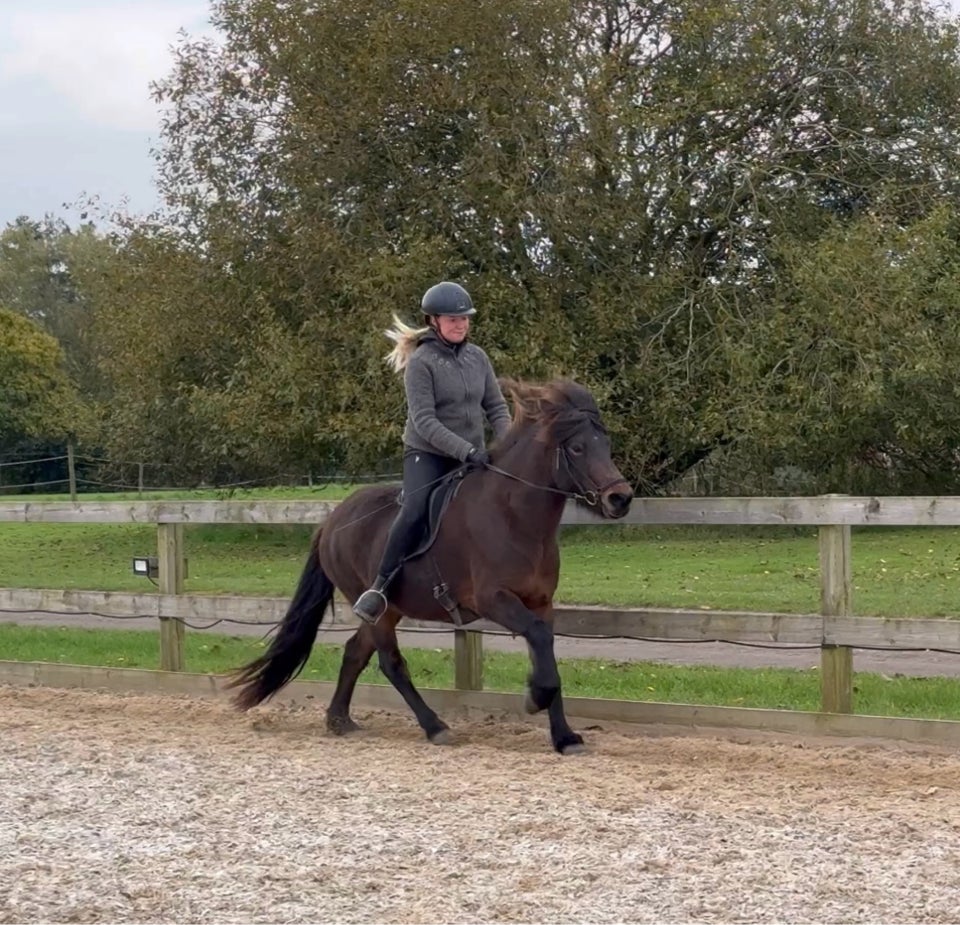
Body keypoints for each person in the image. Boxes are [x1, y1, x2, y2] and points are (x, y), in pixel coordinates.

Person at [352, 281, 512, 624]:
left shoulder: (478, 357)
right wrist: (466, 450)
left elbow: (496, 406)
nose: (461, 324)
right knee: (413, 510)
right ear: (433, 321)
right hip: (428, 454)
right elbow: (424, 421)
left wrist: (508, 443)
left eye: (465, 318)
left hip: (473, 454)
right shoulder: (421, 363)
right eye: (452, 319)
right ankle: (379, 587)